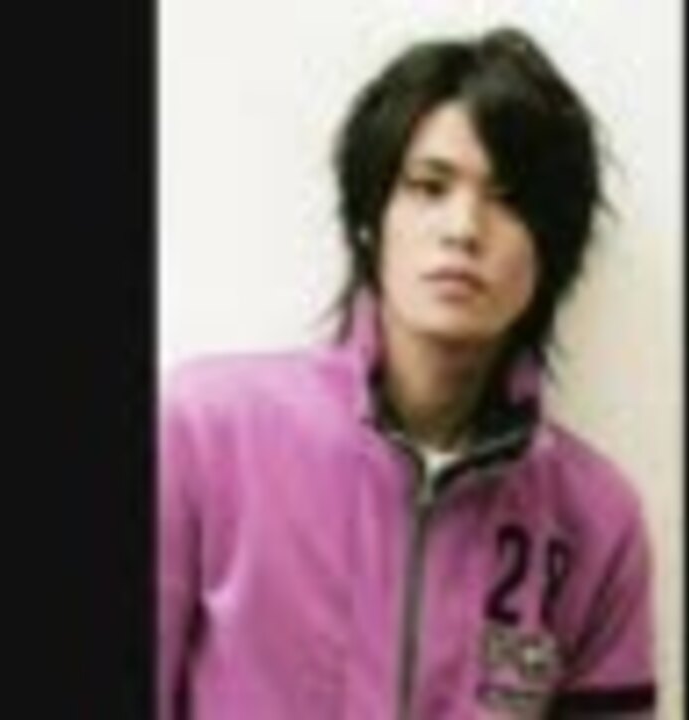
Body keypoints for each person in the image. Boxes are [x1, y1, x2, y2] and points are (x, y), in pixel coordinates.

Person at [159, 26, 656, 720]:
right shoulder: (204, 434)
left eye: (509, 198)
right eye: (429, 187)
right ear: (372, 220)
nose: (464, 228)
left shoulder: (597, 519)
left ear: (551, 249)